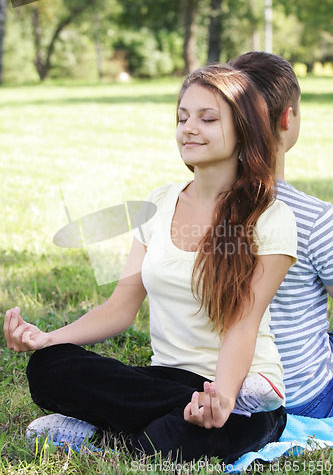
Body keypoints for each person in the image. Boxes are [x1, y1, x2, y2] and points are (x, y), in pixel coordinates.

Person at [3, 64, 297, 463]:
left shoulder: (269, 217)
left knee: (175, 443)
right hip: (167, 380)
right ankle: (170, 416)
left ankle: (105, 433)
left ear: (244, 128)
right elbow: (120, 307)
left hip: (239, 384)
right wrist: (48, 339)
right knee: (48, 368)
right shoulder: (159, 203)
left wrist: (223, 395)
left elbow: (243, 325)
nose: (189, 128)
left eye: (207, 118)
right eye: (182, 117)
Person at [231, 51, 333, 417]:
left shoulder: (198, 206)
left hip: (220, 389)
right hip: (302, 397)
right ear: (288, 118)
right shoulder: (316, 217)